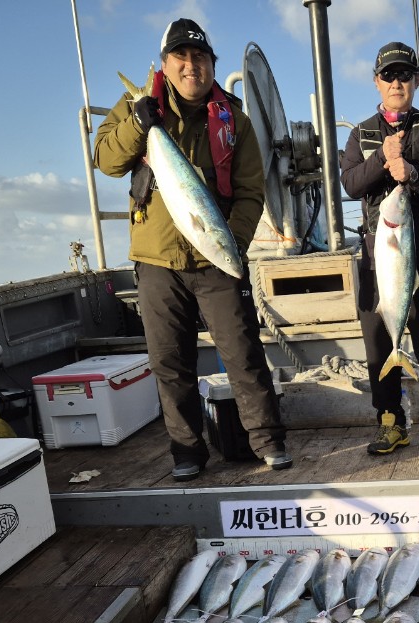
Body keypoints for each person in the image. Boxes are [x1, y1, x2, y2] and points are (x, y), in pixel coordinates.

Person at [94, 18, 290, 480]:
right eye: (180, 57)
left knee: (243, 351)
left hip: (215, 254)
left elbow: (249, 191)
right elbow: (106, 159)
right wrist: (139, 125)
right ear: (165, 64)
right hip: (157, 259)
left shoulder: (233, 119)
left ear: (211, 65)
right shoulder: (136, 105)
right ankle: (186, 452)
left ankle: (268, 440)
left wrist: (232, 243)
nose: (190, 66)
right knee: (169, 361)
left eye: (199, 58)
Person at [340, 42, 419, 455]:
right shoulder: (360, 135)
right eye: (388, 76)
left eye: (404, 75)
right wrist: (381, 160)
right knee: (378, 344)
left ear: (416, 81)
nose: (396, 82)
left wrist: (411, 171)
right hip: (378, 257)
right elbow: (351, 183)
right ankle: (390, 421)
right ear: (376, 82)